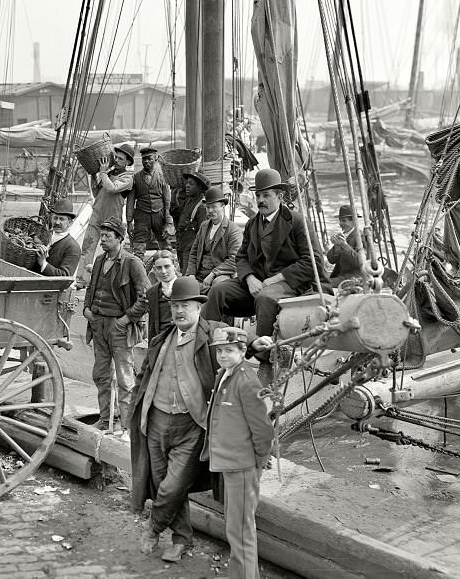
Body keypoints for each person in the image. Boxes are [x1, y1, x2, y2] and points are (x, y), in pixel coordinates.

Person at [202, 169, 330, 381]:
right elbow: (241, 257)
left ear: (279, 197)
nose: (260, 200)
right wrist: (249, 278)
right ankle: (212, 351)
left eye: (266, 195)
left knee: (266, 297)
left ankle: (265, 362)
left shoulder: (297, 222)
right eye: (258, 195)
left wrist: (275, 279)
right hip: (257, 281)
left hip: (292, 284)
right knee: (218, 291)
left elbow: (313, 262)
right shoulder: (253, 224)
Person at [129, 275, 222, 564]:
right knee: (165, 485)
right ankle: (181, 540)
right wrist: (133, 408)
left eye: (185, 306)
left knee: (173, 485)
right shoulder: (162, 339)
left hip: (191, 425)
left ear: (198, 308)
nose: (179, 311)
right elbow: (144, 376)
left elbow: (240, 346)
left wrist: (259, 342)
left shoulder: (212, 338)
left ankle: (153, 528)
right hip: (155, 421)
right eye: (175, 306)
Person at [202, 326, 273, 579]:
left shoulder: (245, 380)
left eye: (229, 350)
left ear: (243, 351)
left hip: (243, 465)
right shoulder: (226, 373)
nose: (222, 355)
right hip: (231, 462)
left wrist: (258, 463)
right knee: (236, 528)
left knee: (241, 530)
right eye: (219, 350)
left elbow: (263, 428)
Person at [83, 218, 149, 431]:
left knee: (124, 378)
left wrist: (127, 318)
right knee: (101, 374)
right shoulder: (100, 261)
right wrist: (87, 308)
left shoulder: (132, 263)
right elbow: (90, 287)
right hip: (98, 325)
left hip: (119, 327)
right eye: (101, 236)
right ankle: (105, 419)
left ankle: (128, 428)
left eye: (107, 237)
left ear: (120, 239)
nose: (102, 240)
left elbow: (146, 297)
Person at [75, 144, 135, 288]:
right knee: (87, 249)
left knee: (110, 250)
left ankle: (109, 281)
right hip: (96, 216)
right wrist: (94, 176)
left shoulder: (128, 178)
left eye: (121, 159)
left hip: (111, 221)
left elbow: (112, 188)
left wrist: (102, 172)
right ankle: (82, 281)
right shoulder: (108, 173)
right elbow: (97, 193)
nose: (117, 160)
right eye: (116, 157)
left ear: (128, 162)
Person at [185, 187, 243, 292]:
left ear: (223, 207)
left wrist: (214, 273)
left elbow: (235, 259)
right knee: (183, 285)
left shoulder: (233, 230)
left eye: (214, 207)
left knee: (217, 286)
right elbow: (193, 252)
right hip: (200, 273)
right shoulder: (204, 226)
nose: (210, 211)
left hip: (221, 274)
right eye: (208, 207)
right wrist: (191, 274)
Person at [126, 146, 174, 257]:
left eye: (149, 158)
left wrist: (169, 222)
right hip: (141, 216)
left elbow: (168, 201)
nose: (146, 161)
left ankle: (170, 268)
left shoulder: (162, 177)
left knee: (166, 246)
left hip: (159, 215)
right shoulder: (136, 178)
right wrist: (129, 222)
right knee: (138, 249)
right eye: (144, 159)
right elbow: (130, 201)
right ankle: (138, 272)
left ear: (155, 158)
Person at [31, 199, 82, 277]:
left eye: (62, 219)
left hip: (51, 288)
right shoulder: (43, 236)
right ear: (51, 219)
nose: (57, 222)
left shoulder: (73, 247)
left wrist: (43, 263)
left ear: (70, 223)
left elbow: (65, 276)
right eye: (55, 218)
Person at [170, 171, 209, 272]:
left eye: (191, 184)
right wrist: (173, 197)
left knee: (187, 275)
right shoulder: (188, 201)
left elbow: (202, 233)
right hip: (182, 244)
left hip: (191, 248)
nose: (187, 186)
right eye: (186, 183)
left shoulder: (202, 207)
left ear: (200, 188)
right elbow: (175, 214)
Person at [145, 250, 178, 341]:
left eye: (167, 267)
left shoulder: (188, 286)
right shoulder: (152, 292)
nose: (163, 271)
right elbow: (152, 325)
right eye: (159, 268)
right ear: (154, 270)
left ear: (174, 266)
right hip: (162, 339)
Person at [327, 204, 363, 283]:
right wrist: (336, 246)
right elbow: (331, 260)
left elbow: (361, 262)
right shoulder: (343, 236)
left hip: (355, 278)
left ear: (353, 220)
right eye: (339, 220)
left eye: (343, 220)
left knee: (320, 285)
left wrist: (344, 245)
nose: (340, 224)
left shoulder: (362, 237)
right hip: (341, 276)